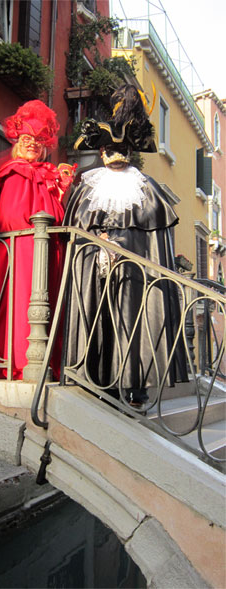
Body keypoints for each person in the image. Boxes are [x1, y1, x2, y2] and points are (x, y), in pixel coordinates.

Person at [63, 84, 188, 408]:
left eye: (120, 149)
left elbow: (155, 239)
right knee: (96, 314)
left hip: (134, 268)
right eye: (108, 149)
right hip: (94, 264)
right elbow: (75, 228)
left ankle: (134, 385)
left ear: (130, 152)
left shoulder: (146, 189)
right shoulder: (88, 184)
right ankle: (95, 379)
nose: (114, 154)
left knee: (133, 317)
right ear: (102, 152)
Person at [0, 100, 73, 380]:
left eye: (38, 141)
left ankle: (47, 362)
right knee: (23, 300)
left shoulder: (45, 175)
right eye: (27, 139)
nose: (32, 145)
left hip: (47, 252)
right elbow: (13, 219)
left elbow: (56, 215)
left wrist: (61, 192)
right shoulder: (15, 172)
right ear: (17, 141)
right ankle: (19, 360)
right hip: (24, 251)